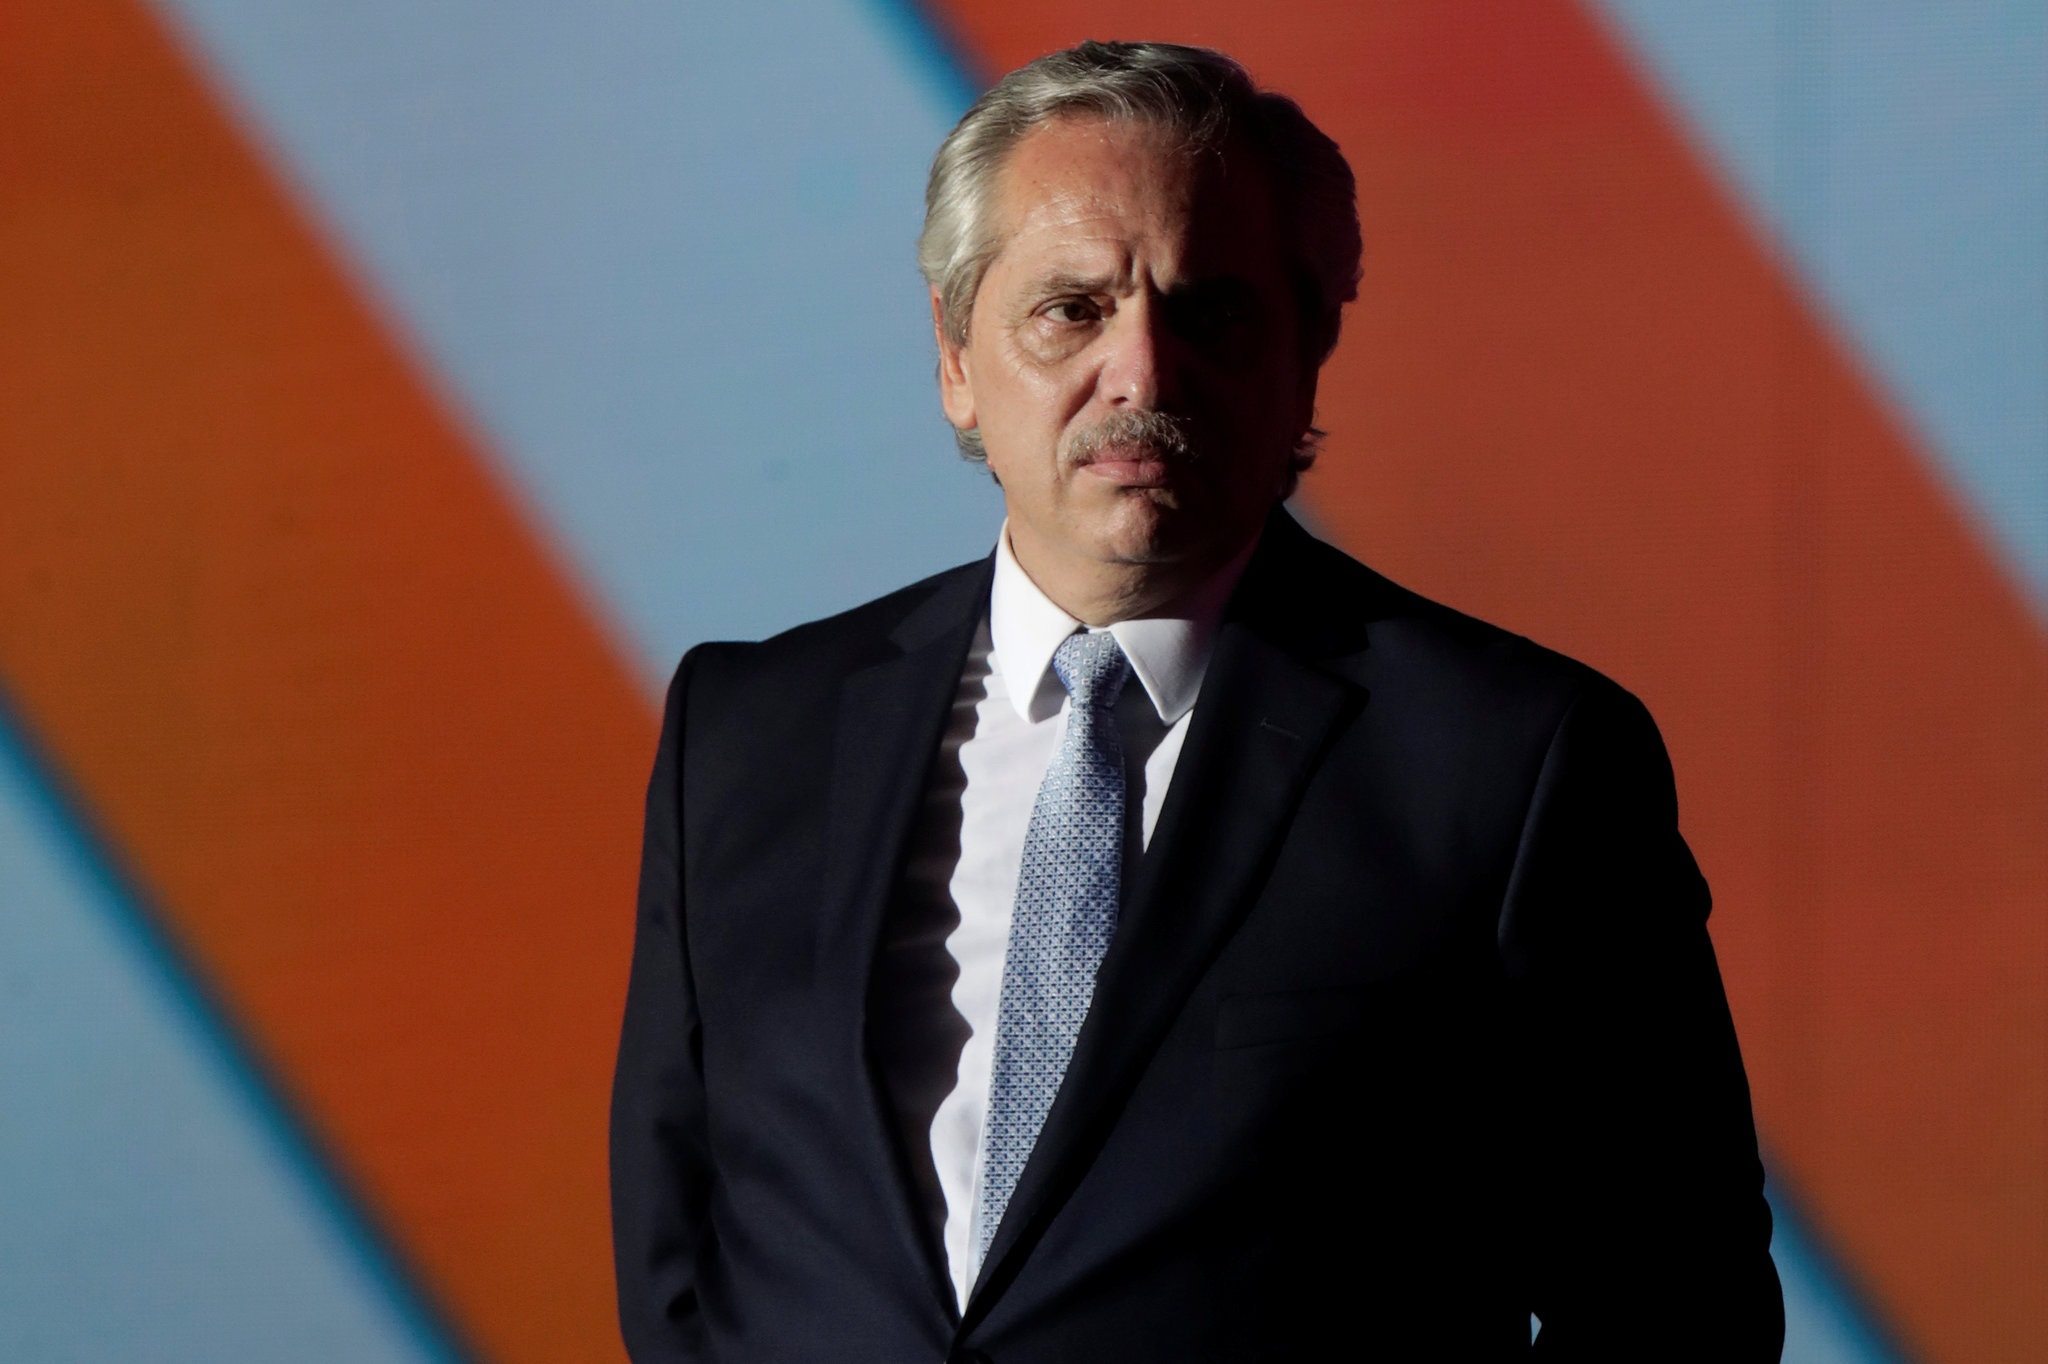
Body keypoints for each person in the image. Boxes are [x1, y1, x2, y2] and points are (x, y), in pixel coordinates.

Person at [610, 40, 1783, 1363]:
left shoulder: (1517, 766)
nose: (1144, 376)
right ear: (954, 354)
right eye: (1070, 310)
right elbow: (681, 1258)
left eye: (1210, 311)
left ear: (1309, 350)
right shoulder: (744, 733)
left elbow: (1674, 1302)